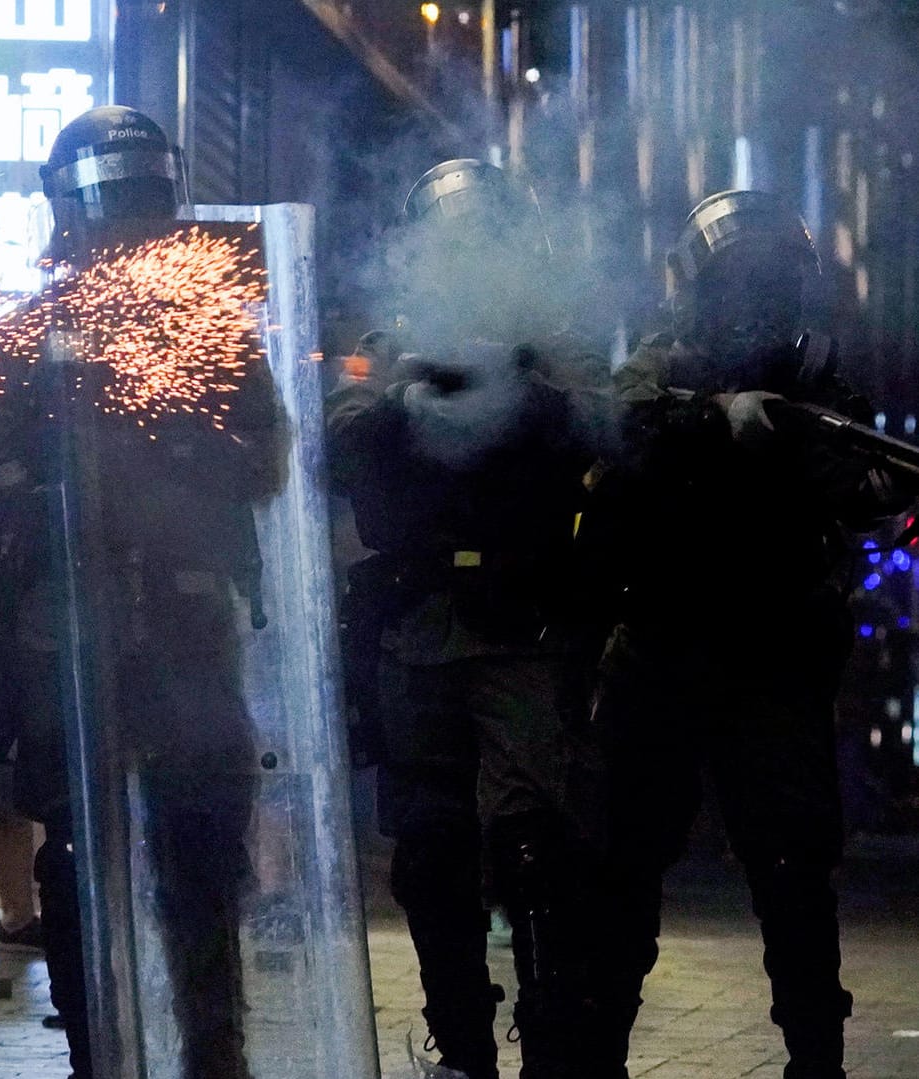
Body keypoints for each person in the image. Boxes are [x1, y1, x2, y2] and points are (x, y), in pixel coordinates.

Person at [0, 105, 284, 1079]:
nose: (123, 223)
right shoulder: (30, 334)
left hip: (184, 619)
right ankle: (99, 1053)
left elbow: (263, 461)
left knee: (199, 861)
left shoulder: (211, 332)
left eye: (138, 199)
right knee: (77, 856)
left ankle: (212, 1059)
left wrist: (187, 460)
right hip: (67, 627)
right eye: (108, 201)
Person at [583, 189, 914, 1079]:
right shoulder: (658, 371)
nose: (759, 304)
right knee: (622, 867)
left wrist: (871, 492)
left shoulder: (818, 388)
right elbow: (616, 442)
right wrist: (712, 418)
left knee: (794, 874)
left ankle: (818, 1059)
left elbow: (857, 488)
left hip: (770, 662)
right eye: (743, 285)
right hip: (662, 648)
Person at [325, 159, 610, 1079]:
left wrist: (521, 386)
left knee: (532, 842)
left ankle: (551, 1038)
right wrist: (404, 398)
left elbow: (614, 428)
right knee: (431, 846)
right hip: (419, 621)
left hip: (520, 625)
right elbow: (334, 438)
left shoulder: (552, 342)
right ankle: (461, 1043)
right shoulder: (390, 340)